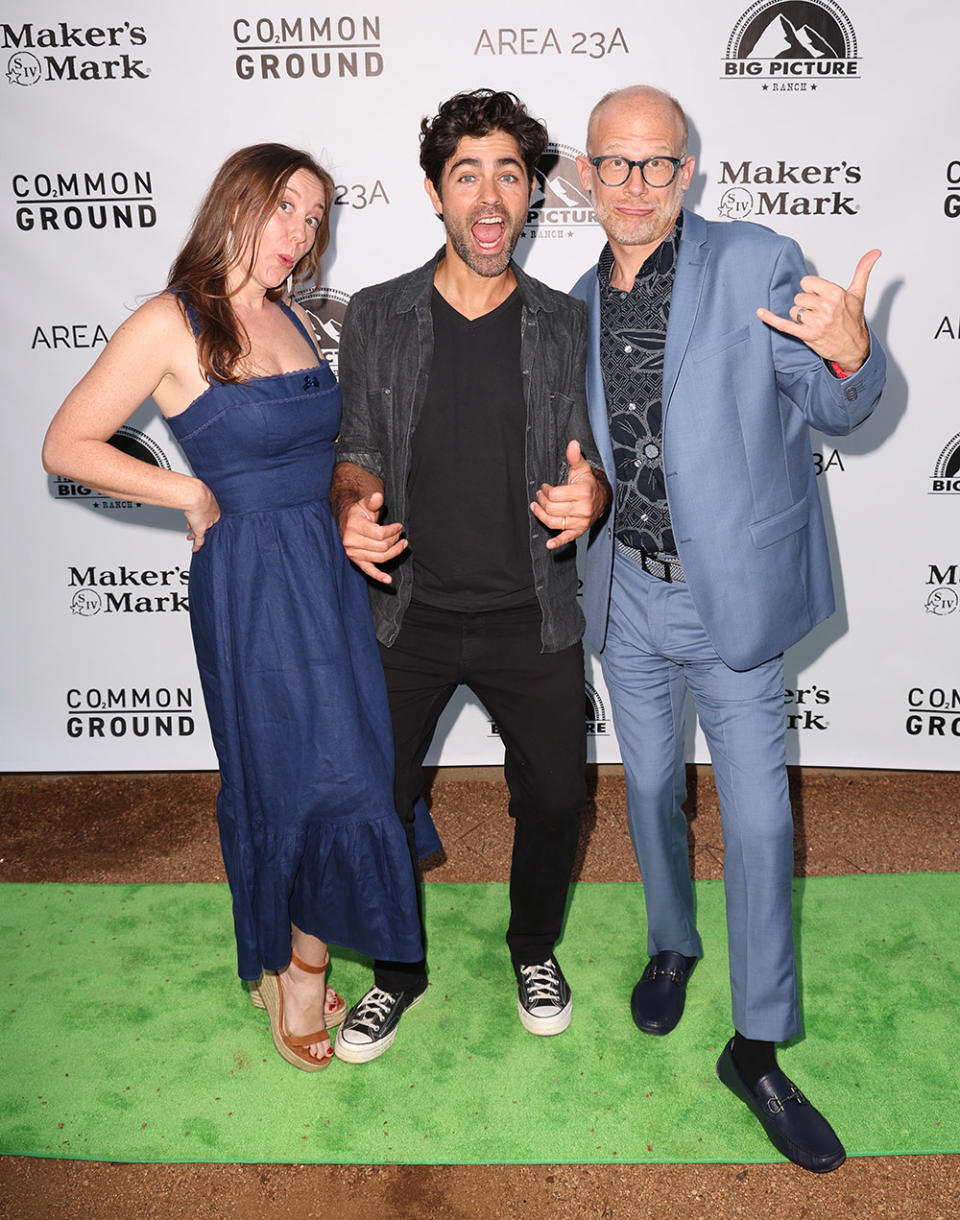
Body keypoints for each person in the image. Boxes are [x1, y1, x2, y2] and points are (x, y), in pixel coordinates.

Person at [42, 143, 423, 1073]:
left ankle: (284, 952)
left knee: (351, 764)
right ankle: (298, 970)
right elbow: (66, 444)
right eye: (284, 206)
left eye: (314, 217)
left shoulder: (290, 312)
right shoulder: (174, 320)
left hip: (325, 574)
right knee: (306, 777)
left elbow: (324, 450)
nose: (298, 231)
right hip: (253, 582)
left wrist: (350, 511)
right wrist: (189, 495)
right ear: (236, 202)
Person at [571, 86, 885, 1171]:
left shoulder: (755, 260)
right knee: (650, 791)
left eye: (659, 164)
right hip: (627, 600)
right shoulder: (572, 300)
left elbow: (838, 405)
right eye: (617, 163)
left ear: (689, 172)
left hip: (734, 602)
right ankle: (670, 942)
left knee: (757, 826)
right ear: (584, 174)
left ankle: (755, 1045)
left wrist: (851, 353)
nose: (638, 185)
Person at [330, 89, 610, 1063]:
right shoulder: (377, 316)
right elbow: (355, 450)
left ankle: (532, 944)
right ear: (433, 193)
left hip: (531, 611)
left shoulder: (565, 322)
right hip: (406, 612)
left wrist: (595, 499)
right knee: (377, 798)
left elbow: (594, 459)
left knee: (559, 799)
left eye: (509, 174)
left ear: (532, 194)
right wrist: (351, 505)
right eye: (467, 173)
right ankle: (394, 972)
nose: (490, 197)